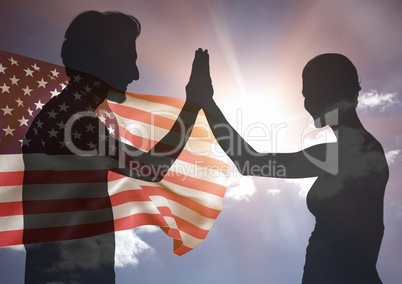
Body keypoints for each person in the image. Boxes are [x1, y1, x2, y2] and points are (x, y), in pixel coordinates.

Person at [22, 11, 209, 283]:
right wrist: (193, 103)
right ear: (100, 61)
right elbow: (152, 168)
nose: (134, 74)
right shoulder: (77, 122)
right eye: (128, 60)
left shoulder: (69, 115)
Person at [197, 53, 388, 283]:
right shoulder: (348, 149)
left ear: (331, 91)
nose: (307, 103)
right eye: (305, 95)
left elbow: (250, 162)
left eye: (310, 93)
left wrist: (207, 102)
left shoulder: (353, 150)